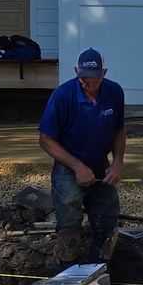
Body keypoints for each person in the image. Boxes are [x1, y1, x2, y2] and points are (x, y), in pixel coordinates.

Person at [37, 48, 126, 264]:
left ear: (104, 73)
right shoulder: (63, 96)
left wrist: (117, 164)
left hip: (99, 164)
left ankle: (100, 266)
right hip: (68, 166)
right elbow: (46, 140)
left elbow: (118, 131)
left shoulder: (114, 93)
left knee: (106, 215)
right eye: (84, 78)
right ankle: (67, 271)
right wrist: (77, 167)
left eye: (94, 79)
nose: (89, 84)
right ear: (76, 71)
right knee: (69, 220)